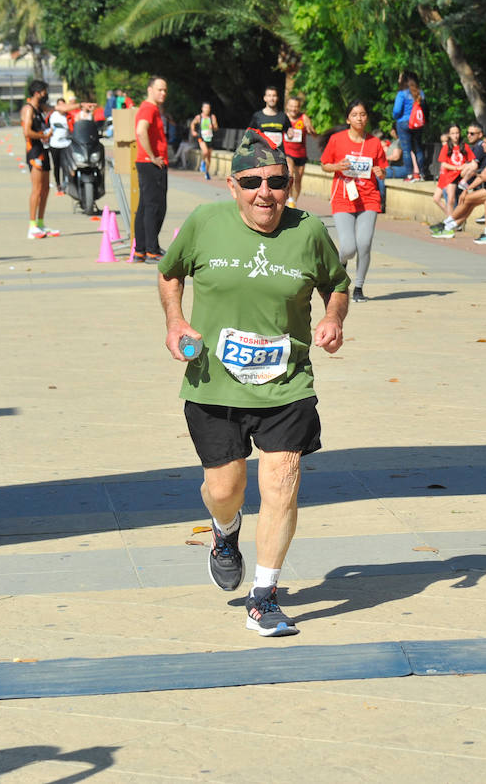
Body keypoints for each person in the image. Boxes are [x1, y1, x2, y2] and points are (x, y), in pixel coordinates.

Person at [157, 128, 349, 636]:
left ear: (290, 184)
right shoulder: (204, 223)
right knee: (226, 488)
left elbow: (337, 284)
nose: (266, 192)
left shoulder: (308, 231)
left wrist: (334, 318)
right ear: (232, 184)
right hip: (214, 382)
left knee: (282, 480)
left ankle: (264, 597)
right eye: (252, 182)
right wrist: (175, 322)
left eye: (276, 181)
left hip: (286, 380)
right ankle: (225, 530)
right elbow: (169, 272)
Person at [320, 100, 386, 302]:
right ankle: (340, 265)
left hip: (369, 199)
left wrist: (379, 172)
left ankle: (358, 287)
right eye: (355, 114)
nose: (359, 118)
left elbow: (383, 171)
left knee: (364, 244)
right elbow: (324, 165)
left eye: (363, 114)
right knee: (348, 247)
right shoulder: (337, 140)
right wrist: (337, 166)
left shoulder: (374, 142)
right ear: (348, 119)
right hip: (343, 197)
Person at [429, 128, 486, 238]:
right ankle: (449, 226)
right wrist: (466, 189)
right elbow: (481, 176)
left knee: (468, 200)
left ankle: (447, 224)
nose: (483, 145)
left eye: (485, 143)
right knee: (468, 201)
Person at [132, 76, 170, 263]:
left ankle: (141, 250)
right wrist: (152, 156)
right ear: (150, 90)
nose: (163, 93)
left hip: (147, 162)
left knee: (145, 207)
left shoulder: (150, 108)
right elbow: (140, 131)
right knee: (155, 207)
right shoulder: (149, 108)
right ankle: (151, 250)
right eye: (159, 89)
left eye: (164, 90)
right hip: (151, 164)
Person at [20, 80, 59, 239]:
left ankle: (41, 223)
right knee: (36, 189)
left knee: (45, 189)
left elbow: (58, 108)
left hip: (44, 149)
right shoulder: (28, 109)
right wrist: (43, 135)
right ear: (37, 93)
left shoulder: (40, 108)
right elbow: (27, 132)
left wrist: (79, 106)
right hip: (34, 151)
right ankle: (32, 226)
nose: (46, 94)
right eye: (44, 91)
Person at [392, 71, 426, 180]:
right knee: (418, 148)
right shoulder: (420, 92)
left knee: (406, 149)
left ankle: (410, 175)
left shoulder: (402, 93)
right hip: (418, 123)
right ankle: (422, 174)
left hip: (404, 123)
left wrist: (396, 117)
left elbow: (397, 111)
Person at [434, 125, 472, 222]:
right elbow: (444, 164)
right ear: (449, 135)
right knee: (448, 199)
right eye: (453, 133)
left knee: (455, 199)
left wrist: (465, 166)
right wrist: (456, 167)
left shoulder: (465, 146)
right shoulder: (447, 147)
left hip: (460, 176)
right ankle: (451, 219)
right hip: (450, 176)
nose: (455, 136)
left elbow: (472, 160)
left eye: (457, 133)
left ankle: (454, 220)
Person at [282, 96, 312, 205]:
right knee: (290, 174)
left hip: (301, 154)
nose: (294, 109)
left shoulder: (304, 118)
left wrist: (310, 129)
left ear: (299, 108)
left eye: (296, 107)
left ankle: (293, 202)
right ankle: (289, 198)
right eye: (291, 106)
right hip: (287, 152)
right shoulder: (283, 117)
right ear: (287, 106)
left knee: (298, 180)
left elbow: (313, 133)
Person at [48, 98, 73, 195]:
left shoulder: (69, 116)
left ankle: (65, 184)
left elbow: (73, 128)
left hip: (66, 144)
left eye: (64, 105)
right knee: (56, 166)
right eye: (60, 105)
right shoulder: (53, 116)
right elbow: (48, 128)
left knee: (65, 166)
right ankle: (58, 184)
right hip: (54, 144)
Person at [190, 103, 218, 179]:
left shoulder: (212, 117)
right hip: (201, 137)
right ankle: (202, 162)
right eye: (205, 108)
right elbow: (192, 123)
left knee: (209, 157)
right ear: (202, 108)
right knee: (205, 152)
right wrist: (193, 131)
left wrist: (212, 126)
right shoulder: (199, 117)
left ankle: (207, 172)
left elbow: (216, 127)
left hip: (210, 138)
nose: (207, 109)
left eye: (208, 108)